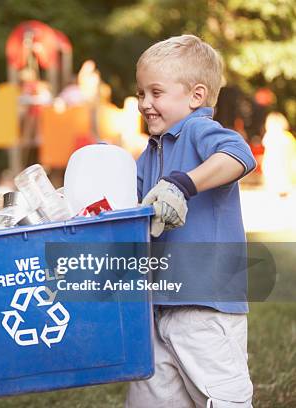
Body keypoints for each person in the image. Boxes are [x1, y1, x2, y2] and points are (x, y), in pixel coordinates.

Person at [127, 35, 257, 407]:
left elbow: (240, 155)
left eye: (155, 93)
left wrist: (185, 183)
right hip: (157, 307)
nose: (144, 104)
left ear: (196, 97)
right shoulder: (150, 152)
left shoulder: (198, 131)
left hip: (204, 303)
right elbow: (124, 203)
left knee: (221, 398)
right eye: (140, 94)